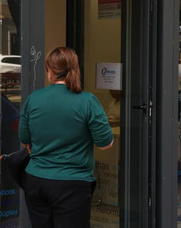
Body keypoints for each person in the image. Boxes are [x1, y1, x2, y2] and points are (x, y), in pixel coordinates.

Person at [19, 47, 113, 228]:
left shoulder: (34, 99)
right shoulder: (87, 101)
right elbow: (105, 144)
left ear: (49, 71)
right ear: (75, 69)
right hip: (73, 183)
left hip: (36, 181)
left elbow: (24, 139)